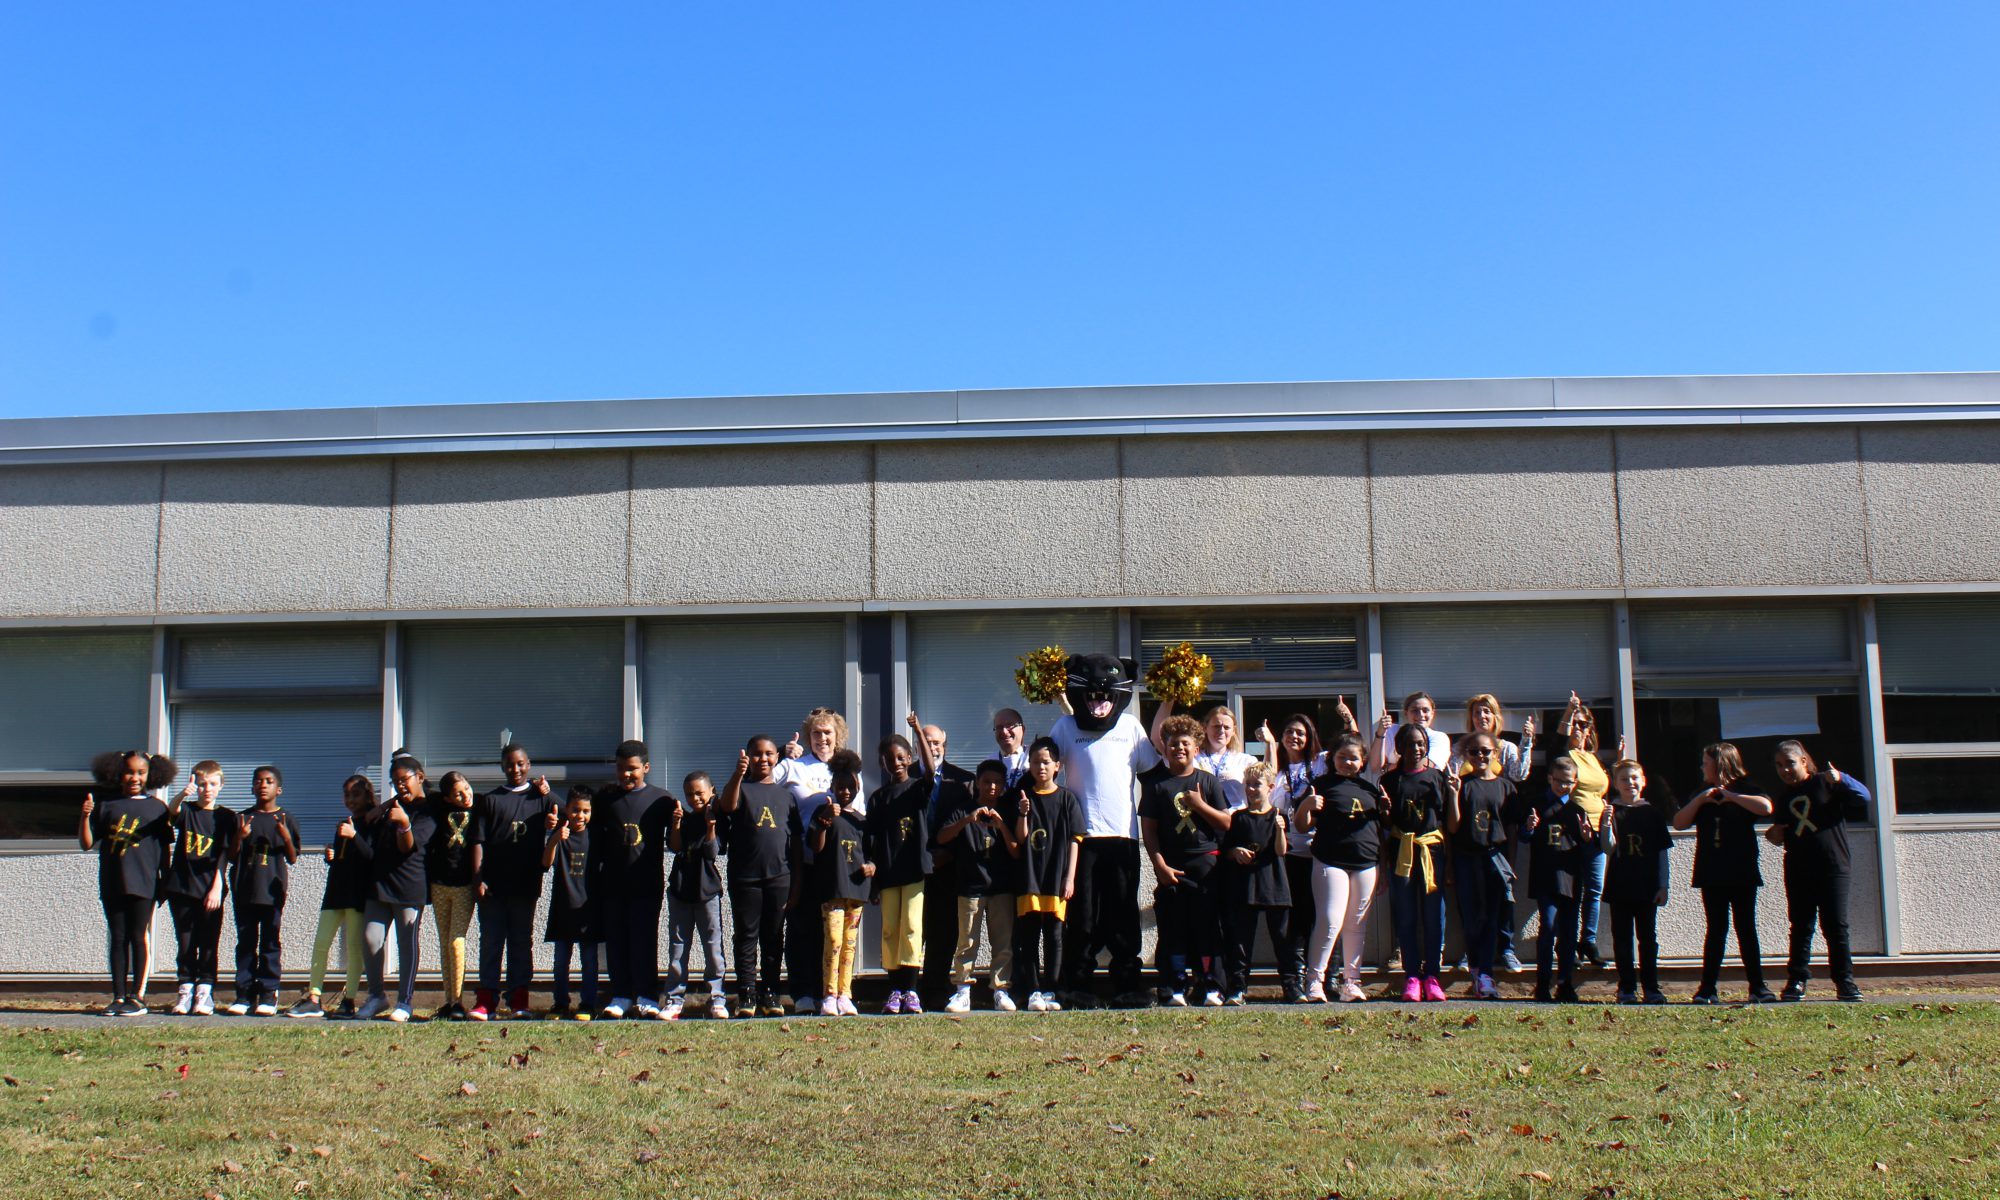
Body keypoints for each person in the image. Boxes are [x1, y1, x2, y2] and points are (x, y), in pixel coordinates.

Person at [1048, 653, 1159, 1007]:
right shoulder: (1065, 727)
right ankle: (1077, 985)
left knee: (1124, 913)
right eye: (1092, 693)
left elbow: (1154, 776)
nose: (1098, 700)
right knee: (1082, 917)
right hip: (1082, 840)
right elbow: (1043, 769)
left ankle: (1127, 984)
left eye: (1105, 694)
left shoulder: (1130, 727)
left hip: (1124, 837)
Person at [1139, 714, 1232, 1007]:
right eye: (1172, 743)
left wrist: (1200, 804)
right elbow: (1150, 830)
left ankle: (1211, 986)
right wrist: (1159, 865)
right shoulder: (1157, 786)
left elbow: (1226, 823)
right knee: (1173, 928)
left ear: (1196, 748)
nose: (1179, 748)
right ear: (1164, 748)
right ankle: (1173, 986)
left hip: (1206, 864)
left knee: (1206, 928)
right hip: (1172, 866)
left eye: (1185, 743)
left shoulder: (1207, 781)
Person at [1674, 742, 1777, 1004]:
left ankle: (1758, 987)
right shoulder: (1702, 794)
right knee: (1716, 929)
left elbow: (1766, 808)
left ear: (1719, 764)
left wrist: (1730, 796)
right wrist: (1700, 799)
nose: (1701, 767)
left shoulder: (1747, 788)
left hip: (1741, 871)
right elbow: (1679, 822)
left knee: (1746, 928)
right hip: (1712, 871)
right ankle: (1707, 988)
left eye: (1705, 762)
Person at [1767, 742, 1870, 1003]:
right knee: (1801, 926)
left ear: (1803, 761)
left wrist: (1842, 778)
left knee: (1836, 926)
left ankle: (1845, 982)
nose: (1785, 770)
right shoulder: (1784, 796)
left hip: (1832, 866)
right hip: (1799, 868)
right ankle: (1797, 980)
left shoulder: (1825, 783)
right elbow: (1778, 832)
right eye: (1779, 765)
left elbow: (1863, 797)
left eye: (1790, 763)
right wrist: (1773, 835)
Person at [79, 750, 176, 1016]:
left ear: (150, 774)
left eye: (140, 772)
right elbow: (87, 843)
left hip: (144, 883)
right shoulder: (107, 806)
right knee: (118, 938)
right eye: (129, 772)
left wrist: (164, 882)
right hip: (113, 883)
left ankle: (138, 996)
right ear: (118, 773)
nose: (134, 777)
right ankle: (119, 996)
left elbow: (164, 849)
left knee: (137, 936)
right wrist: (85, 815)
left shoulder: (157, 808)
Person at [1295, 735, 1384, 1003]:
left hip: (1367, 862)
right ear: (1332, 758)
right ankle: (1314, 981)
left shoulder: (1371, 789)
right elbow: (1302, 826)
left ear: (1363, 761)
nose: (1347, 762)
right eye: (1342, 757)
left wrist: (1385, 866)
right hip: (1330, 861)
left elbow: (1381, 828)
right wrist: (1306, 806)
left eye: (1353, 758)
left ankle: (1352, 982)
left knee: (1356, 924)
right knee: (1330, 920)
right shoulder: (1320, 785)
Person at [589, 739, 674, 1020]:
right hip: (612, 883)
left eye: (633, 769)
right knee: (617, 940)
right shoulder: (604, 800)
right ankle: (621, 995)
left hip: (647, 884)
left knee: (643, 940)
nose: (627, 774)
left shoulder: (662, 800)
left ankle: (647, 996)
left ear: (646, 768)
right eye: (622, 769)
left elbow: (675, 841)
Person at [719, 735, 802, 1018]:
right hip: (745, 878)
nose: (763, 759)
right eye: (757, 754)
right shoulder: (741, 789)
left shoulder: (786, 795)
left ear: (776, 758)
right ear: (748, 757)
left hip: (779, 877)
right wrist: (738, 774)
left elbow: (796, 844)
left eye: (768, 754)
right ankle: (746, 994)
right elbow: (727, 807)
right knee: (746, 936)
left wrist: (796, 885)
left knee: (773, 936)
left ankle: (771, 993)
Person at [471, 743, 554, 1022]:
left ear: (528, 765)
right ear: (502, 767)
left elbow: (569, 815)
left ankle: (519, 1000)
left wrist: (549, 792)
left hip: (525, 884)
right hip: (493, 885)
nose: (515, 769)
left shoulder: (539, 798)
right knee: (491, 942)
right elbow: (479, 841)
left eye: (520, 764)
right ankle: (486, 1001)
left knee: (521, 942)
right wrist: (478, 878)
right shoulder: (491, 800)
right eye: (509, 764)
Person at [780, 708, 852, 1016]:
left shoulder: (847, 770)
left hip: (835, 864)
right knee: (802, 929)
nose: (822, 738)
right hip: (804, 861)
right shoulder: (795, 767)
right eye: (816, 733)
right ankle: (802, 992)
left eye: (827, 733)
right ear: (808, 737)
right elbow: (763, 779)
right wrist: (785, 755)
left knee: (835, 933)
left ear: (838, 737)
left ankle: (833, 993)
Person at [1266, 708, 1340, 1003]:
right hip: (1290, 855)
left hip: (1322, 852)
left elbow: (1351, 750)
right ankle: (1294, 982)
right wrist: (1270, 746)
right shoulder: (1280, 773)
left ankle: (1328, 977)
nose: (1294, 737)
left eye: (1300, 732)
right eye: (1289, 732)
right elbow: (1267, 791)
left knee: (1326, 917)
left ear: (1309, 737)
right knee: (1295, 921)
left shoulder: (1321, 764)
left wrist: (1348, 720)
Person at [356, 756, 437, 1022]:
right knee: (370, 938)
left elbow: (409, 846)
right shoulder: (391, 806)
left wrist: (404, 823)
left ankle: (405, 1001)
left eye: (405, 780)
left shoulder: (429, 810)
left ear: (420, 777)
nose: (400, 786)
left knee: (406, 944)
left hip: (410, 886)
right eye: (395, 781)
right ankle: (377, 996)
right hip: (380, 884)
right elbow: (369, 825)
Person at [937, 758, 1021, 1013]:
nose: (992, 787)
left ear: (1004, 785)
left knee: (1002, 941)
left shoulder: (1008, 810)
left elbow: (1017, 851)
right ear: (977, 783)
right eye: (987, 782)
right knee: (967, 942)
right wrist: (967, 821)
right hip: (970, 887)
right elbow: (941, 837)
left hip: (1001, 887)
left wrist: (1001, 826)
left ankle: (1001, 990)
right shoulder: (963, 809)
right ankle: (963, 990)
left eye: (997, 782)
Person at [289, 773, 374, 1019]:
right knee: (321, 943)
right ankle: (314, 997)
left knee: (354, 947)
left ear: (368, 795)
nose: (350, 799)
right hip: (335, 893)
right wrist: (332, 856)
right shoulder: (343, 823)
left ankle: (349, 1000)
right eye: (347, 794)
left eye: (355, 794)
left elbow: (371, 858)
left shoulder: (372, 823)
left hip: (357, 894)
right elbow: (344, 860)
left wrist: (354, 836)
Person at [1009, 737, 1083, 1013]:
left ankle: (1053, 987)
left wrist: (1070, 878)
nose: (1041, 767)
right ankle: (1032, 990)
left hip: (1055, 877)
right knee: (1028, 936)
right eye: (1036, 762)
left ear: (1057, 766)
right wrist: (1022, 814)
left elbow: (1075, 839)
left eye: (1046, 762)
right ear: (1029, 765)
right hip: (1029, 877)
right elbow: (1021, 838)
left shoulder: (1066, 798)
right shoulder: (1023, 797)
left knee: (1054, 935)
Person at [1521, 755, 1603, 1003]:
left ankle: (1565, 983)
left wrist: (1588, 837)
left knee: (1568, 932)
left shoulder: (1577, 811)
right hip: (1545, 877)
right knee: (1548, 927)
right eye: (1558, 781)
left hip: (1571, 878)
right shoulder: (1537, 806)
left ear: (1575, 783)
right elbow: (1525, 839)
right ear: (1549, 778)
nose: (1563, 786)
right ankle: (1542, 984)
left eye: (1568, 782)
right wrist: (1529, 827)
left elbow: (1588, 850)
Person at [1383, 723, 1455, 1002]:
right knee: (1407, 916)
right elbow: (1386, 826)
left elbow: (1449, 824)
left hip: (1432, 852)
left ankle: (1433, 976)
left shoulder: (1438, 778)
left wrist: (1448, 865)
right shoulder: (1390, 780)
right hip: (1402, 853)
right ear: (1399, 748)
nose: (1415, 749)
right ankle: (1412, 976)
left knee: (1434, 917)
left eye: (1420, 744)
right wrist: (1387, 813)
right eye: (1410, 744)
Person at [909, 711, 976, 1010]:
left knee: (944, 932)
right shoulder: (905, 778)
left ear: (945, 746)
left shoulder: (964, 782)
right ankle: (906, 990)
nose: (932, 747)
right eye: (926, 741)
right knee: (912, 930)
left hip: (948, 868)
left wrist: (948, 854)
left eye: (936, 742)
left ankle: (934, 989)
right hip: (913, 868)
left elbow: (967, 828)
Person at [226, 766, 301, 1017]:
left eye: (269, 781)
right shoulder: (242, 818)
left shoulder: (285, 819)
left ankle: (269, 993)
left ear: (278, 789)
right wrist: (240, 835)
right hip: (244, 889)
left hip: (271, 891)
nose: (263, 785)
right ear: (252, 787)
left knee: (270, 941)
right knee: (245, 943)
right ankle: (244, 994)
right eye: (258, 781)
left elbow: (292, 858)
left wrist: (286, 836)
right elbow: (231, 855)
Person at [1447, 733, 1516, 1000]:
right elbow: (1451, 829)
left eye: (1486, 751)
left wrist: (1509, 864)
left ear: (1495, 753)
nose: (1480, 757)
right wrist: (1451, 866)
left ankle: (1486, 972)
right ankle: (1476, 967)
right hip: (1467, 856)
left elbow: (1511, 828)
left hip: (1495, 856)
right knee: (1471, 916)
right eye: (1474, 752)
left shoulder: (1506, 787)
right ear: (1466, 755)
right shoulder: (1461, 785)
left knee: (1491, 916)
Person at [868, 734, 933, 1014]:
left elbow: (931, 771)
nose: (895, 763)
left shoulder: (918, 788)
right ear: (882, 763)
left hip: (914, 870)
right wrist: (872, 882)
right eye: (889, 758)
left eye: (900, 757)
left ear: (909, 757)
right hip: (888, 873)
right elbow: (870, 840)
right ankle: (895, 988)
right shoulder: (878, 798)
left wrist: (918, 732)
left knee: (911, 927)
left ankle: (911, 990)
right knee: (890, 930)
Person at [1553, 693, 1619, 969]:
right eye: (1575, 724)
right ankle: (1565, 944)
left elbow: (1604, 789)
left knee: (1595, 889)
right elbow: (1559, 739)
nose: (1579, 729)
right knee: (1571, 890)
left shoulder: (1593, 758)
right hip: (1572, 831)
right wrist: (1570, 711)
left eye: (1584, 725)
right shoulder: (1565, 756)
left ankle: (1587, 941)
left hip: (1597, 830)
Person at [1216, 763, 1289, 1005]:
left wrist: (1280, 831)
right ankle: (1238, 988)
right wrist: (1234, 851)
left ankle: (1291, 986)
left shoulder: (1278, 816)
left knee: (1282, 937)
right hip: (1244, 885)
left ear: (1269, 787)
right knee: (1240, 939)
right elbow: (1226, 851)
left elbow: (1281, 851)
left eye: (1256, 784)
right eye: (1247, 784)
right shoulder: (1238, 818)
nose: (1250, 789)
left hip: (1273, 883)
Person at [163, 760, 230, 1017]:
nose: (207, 789)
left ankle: (205, 992)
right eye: (202, 784)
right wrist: (182, 793)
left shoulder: (225, 817)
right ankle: (185, 990)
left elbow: (224, 854)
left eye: (212, 784)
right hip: (181, 888)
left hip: (210, 890)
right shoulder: (188, 811)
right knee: (186, 942)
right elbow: (171, 813)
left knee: (208, 941)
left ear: (221, 786)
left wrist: (216, 886)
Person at [1604, 759, 1672, 1005]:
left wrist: (1664, 885)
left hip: (1647, 885)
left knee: (1647, 938)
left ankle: (1651, 987)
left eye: (1634, 778)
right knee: (1621, 938)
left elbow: (1662, 852)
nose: (1629, 783)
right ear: (1615, 783)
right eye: (1623, 779)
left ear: (1643, 781)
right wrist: (1605, 824)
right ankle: (1626, 988)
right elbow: (1607, 848)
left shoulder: (1652, 813)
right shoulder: (1611, 811)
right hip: (1620, 884)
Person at [664, 770, 729, 1020]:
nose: (694, 798)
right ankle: (674, 999)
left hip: (707, 891)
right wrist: (677, 824)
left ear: (711, 791)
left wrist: (711, 826)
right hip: (681, 889)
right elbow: (675, 846)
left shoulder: (718, 819)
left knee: (713, 946)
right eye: (690, 794)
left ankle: (717, 997)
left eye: (699, 793)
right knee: (678, 947)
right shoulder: (687, 818)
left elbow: (713, 853)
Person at [811, 751, 872, 1017]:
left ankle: (846, 994)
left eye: (850, 787)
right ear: (832, 787)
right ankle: (828, 994)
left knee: (849, 942)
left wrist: (872, 867)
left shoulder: (861, 820)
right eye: (840, 787)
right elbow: (816, 847)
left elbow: (870, 854)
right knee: (833, 939)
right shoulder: (824, 813)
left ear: (857, 788)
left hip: (857, 889)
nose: (845, 791)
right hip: (832, 887)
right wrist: (824, 821)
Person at [424, 771, 480, 1020]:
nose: (464, 795)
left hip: (464, 885)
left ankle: (458, 1001)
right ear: (447, 798)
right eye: (457, 793)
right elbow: (416, 796)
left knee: (456, 941)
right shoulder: (437, 807)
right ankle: (449, 1001)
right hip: (439, 884)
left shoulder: (480, 805)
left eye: (466, 788)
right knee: (444, 942)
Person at [543, 785, 600, 1020]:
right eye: (576, 810)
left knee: (589, 961)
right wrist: (554, 839)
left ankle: (588, 1004)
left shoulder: (596, 837)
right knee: (560, 962)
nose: (580, 815)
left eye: (586, 811)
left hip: (588, 909)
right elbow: (546, 863)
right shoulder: (561, 833)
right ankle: (560, 1003)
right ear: (567, 809)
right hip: (563, 908)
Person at [1151, 701, 1256, 809]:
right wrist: (1168, 700)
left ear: (1234, 731)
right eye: (1216, 726)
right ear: (1205, 728)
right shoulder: (1193, 755)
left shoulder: (1245, 760)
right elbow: (1158, 738)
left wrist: (1270, 744)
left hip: (1236, 821)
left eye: (1226, 727)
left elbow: (1267, 782)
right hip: (1201, 820)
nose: (1221, 731)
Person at [1370, 691, 1451, 775]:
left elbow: (1425, 766)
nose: (1421, 715)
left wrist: (1388, 768)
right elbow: (1375, 767)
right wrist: (1380, 733)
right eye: (1415, 710)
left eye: (1425, 710)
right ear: (1406, 713)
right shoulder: (1391, 731)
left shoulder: (1439, 737)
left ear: (1432, 713)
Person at [991, 709, 1030, 788]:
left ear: (1023, 729)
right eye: (999, 727)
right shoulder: (989, 762)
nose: (1004, 731)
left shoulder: (1036, 757)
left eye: (1009, 725)